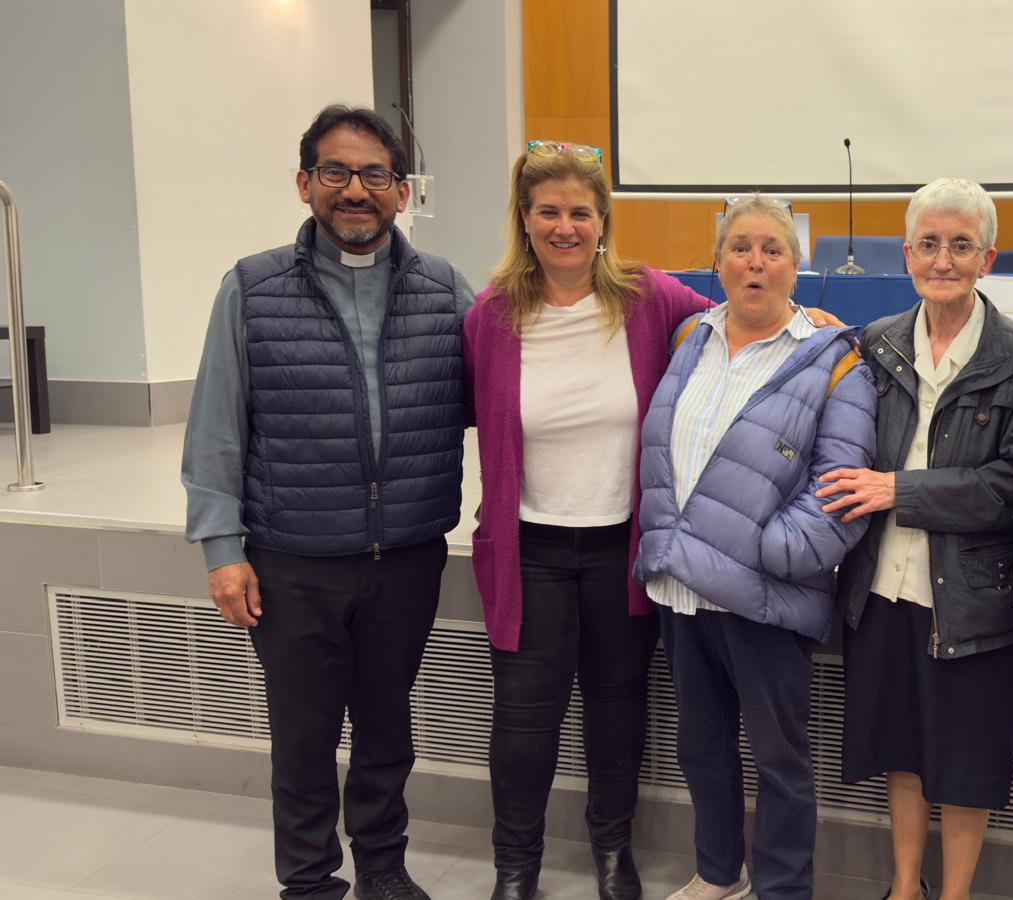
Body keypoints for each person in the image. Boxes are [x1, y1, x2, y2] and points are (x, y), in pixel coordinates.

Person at [181, 105, 476, 900]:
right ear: (304, 182)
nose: (355, 190)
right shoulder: (252, 288)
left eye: (374, 173)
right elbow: (216, 428)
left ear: (402, 191)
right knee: (304, 739)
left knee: (387, 730)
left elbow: (504, 387)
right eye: (336, 171)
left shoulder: (445, 289)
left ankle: (382, 867)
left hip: (406, 555)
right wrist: (222, 548)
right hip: (293, 560)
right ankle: (310, 882)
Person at [461, 141, 715, 900]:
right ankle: (516, 865)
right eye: (548, 212)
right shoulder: (491, 316)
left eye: (580, 212)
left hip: (621, 548)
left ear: (603, 221)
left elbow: (735, 328)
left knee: (617, 708)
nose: (564, 227)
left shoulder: (650, 298)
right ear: (524, 218)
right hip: (528, 548)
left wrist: (810, 320)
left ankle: (613, 851)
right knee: (523, 719)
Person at [634, 196, 876, 900]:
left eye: (773, 249)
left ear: (796, 267)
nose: (755, 262)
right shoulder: (690, 337)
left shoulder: (834, 360)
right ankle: (718, 874)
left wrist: (768, 552)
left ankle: (782, 889)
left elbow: (839, 492)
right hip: (681, 586)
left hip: (765, 597)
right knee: (701, 746)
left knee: (779, 761)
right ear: (717, 262)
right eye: (740, 247)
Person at [819, 178, 1013, 900]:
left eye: (961, 245)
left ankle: (956, 895)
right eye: (930, 244)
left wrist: (898, 491)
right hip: (881, 589)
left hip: (973, 600)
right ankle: (905, 887)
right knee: (902, 750)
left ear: (987, 258)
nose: (944, 260)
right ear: (907, 254)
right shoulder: (877, 343)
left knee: (965, 764)